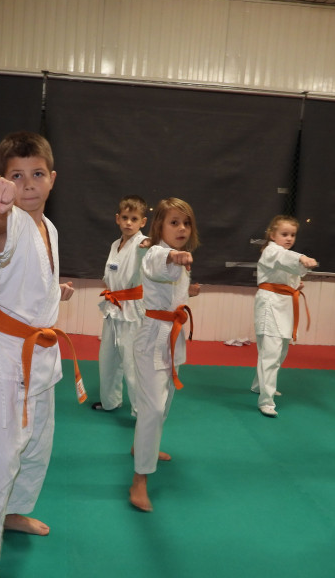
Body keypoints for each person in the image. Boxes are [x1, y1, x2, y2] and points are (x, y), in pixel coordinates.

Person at [0, 132, 82, 577]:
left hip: (39, 354)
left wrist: (54, 292)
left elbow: (27, 279)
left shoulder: (49, 227)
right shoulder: (6, 216)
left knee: (36, 446)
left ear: (53, 179)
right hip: (4, 358)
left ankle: (11, 512)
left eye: (37, 174)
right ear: (2, 180)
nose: (27, 184)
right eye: (16, 176)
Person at [129, 197, 200, 512]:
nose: (182, 228)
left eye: (186, 223)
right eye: (174, 222)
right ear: (159, 226)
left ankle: (143, 445)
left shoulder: (179, 260)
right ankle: (139, 479)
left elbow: (168, 285)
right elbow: (160, 262)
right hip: (152, 339)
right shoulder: (157, 253)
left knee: (165, 402)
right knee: (154, 408)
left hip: (173, 338)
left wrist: (188, 292)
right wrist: (174, 255)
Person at [251, 215, 318, 418]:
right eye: (284, 234)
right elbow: (283, 258)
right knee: (270, 353)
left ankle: (259, 385)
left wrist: (295, 284)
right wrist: (302, 258)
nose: (289, 238)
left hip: (285, 304)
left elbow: (290, 269)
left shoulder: (284, 253)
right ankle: (266, 401)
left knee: (280, 350)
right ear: (272, 235)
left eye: (292, 235)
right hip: (270, 303)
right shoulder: (271, 250)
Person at [91, 195, 148, 414]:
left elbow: (157, 252)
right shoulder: (116, 244)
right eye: (125, 217)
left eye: (134, 219)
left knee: (132, 363)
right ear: (117, 218)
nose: (128, 223)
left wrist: (153, 246)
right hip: (113, 307)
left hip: (133, 310)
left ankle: (141, 412)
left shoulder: (144, 244)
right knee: (108, 357)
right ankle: (110, 401)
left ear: (143, 222)